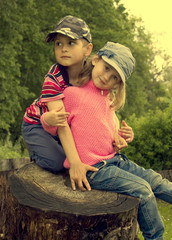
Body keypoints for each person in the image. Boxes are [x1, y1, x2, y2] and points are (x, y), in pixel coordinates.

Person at [42, 41, 172, 240]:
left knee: (157, 182)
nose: (106, 78)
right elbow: (56, 127)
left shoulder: (107, 99)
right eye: (107, 69)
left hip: (117, 161)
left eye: (114, 78)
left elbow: (108, 131)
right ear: (96, 60)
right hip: (95, 169)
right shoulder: (72, 94)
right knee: (143, 191)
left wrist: (121, 137)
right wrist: (47, 119)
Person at [22, 16, 134, 188]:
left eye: (71, 43)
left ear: (88, 49)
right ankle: (39, 153)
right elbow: (62, 124)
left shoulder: (96, 72)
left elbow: (105, 108)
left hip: (66, 127)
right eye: (58, 44)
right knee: (58, 163)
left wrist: (116, 133)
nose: (63, 49)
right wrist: (74, 163)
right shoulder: (53, 78)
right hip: (39, 123)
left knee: (79, 155)